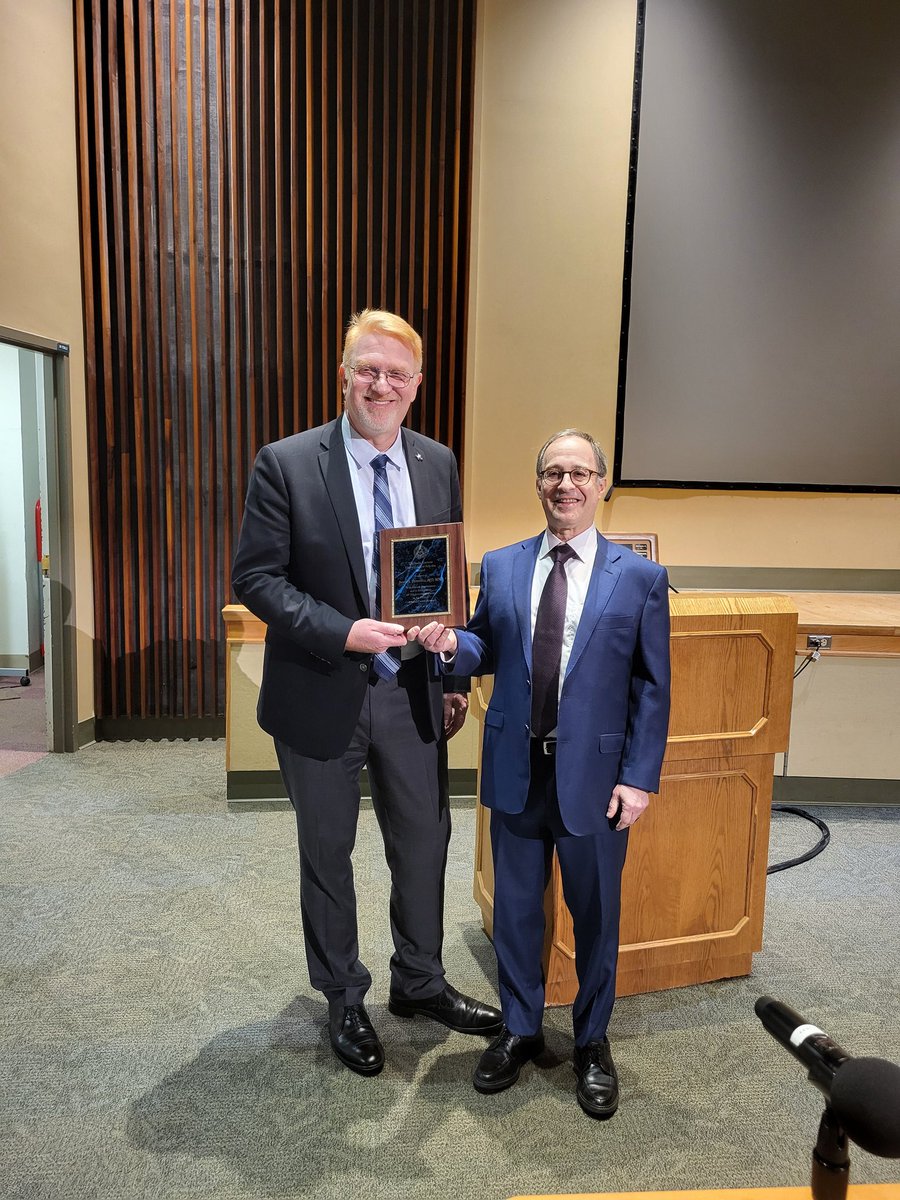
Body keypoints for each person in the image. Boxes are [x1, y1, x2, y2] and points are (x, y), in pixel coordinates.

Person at [232, 309, 501, 1077]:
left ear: (417, 386)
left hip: (411, 693)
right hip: (320, 689)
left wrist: (449, 676)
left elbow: (440, 580)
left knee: (424, 844)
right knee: (329, 852)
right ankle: (345, 997)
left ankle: (419, 982)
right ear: (343, 375)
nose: (381, 384)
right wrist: (341, 631)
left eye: (397, 374)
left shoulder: (436, 462)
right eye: (367, 370)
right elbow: (256, 577)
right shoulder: (285, 462)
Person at [409, 429, 671, 1117]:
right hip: (516, 773)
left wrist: (640, 778)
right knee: (519, 917)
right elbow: (479, 647)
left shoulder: (639, 578)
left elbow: (652, 686)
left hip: (597, 781)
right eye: (554, 472)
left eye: (580, 473)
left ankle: (591, 1043)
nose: (566, 485)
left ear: (602, 485)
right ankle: (521, 1029)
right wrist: (444, 644)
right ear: (538, 484)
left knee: (596, 918)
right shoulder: (500, 566)